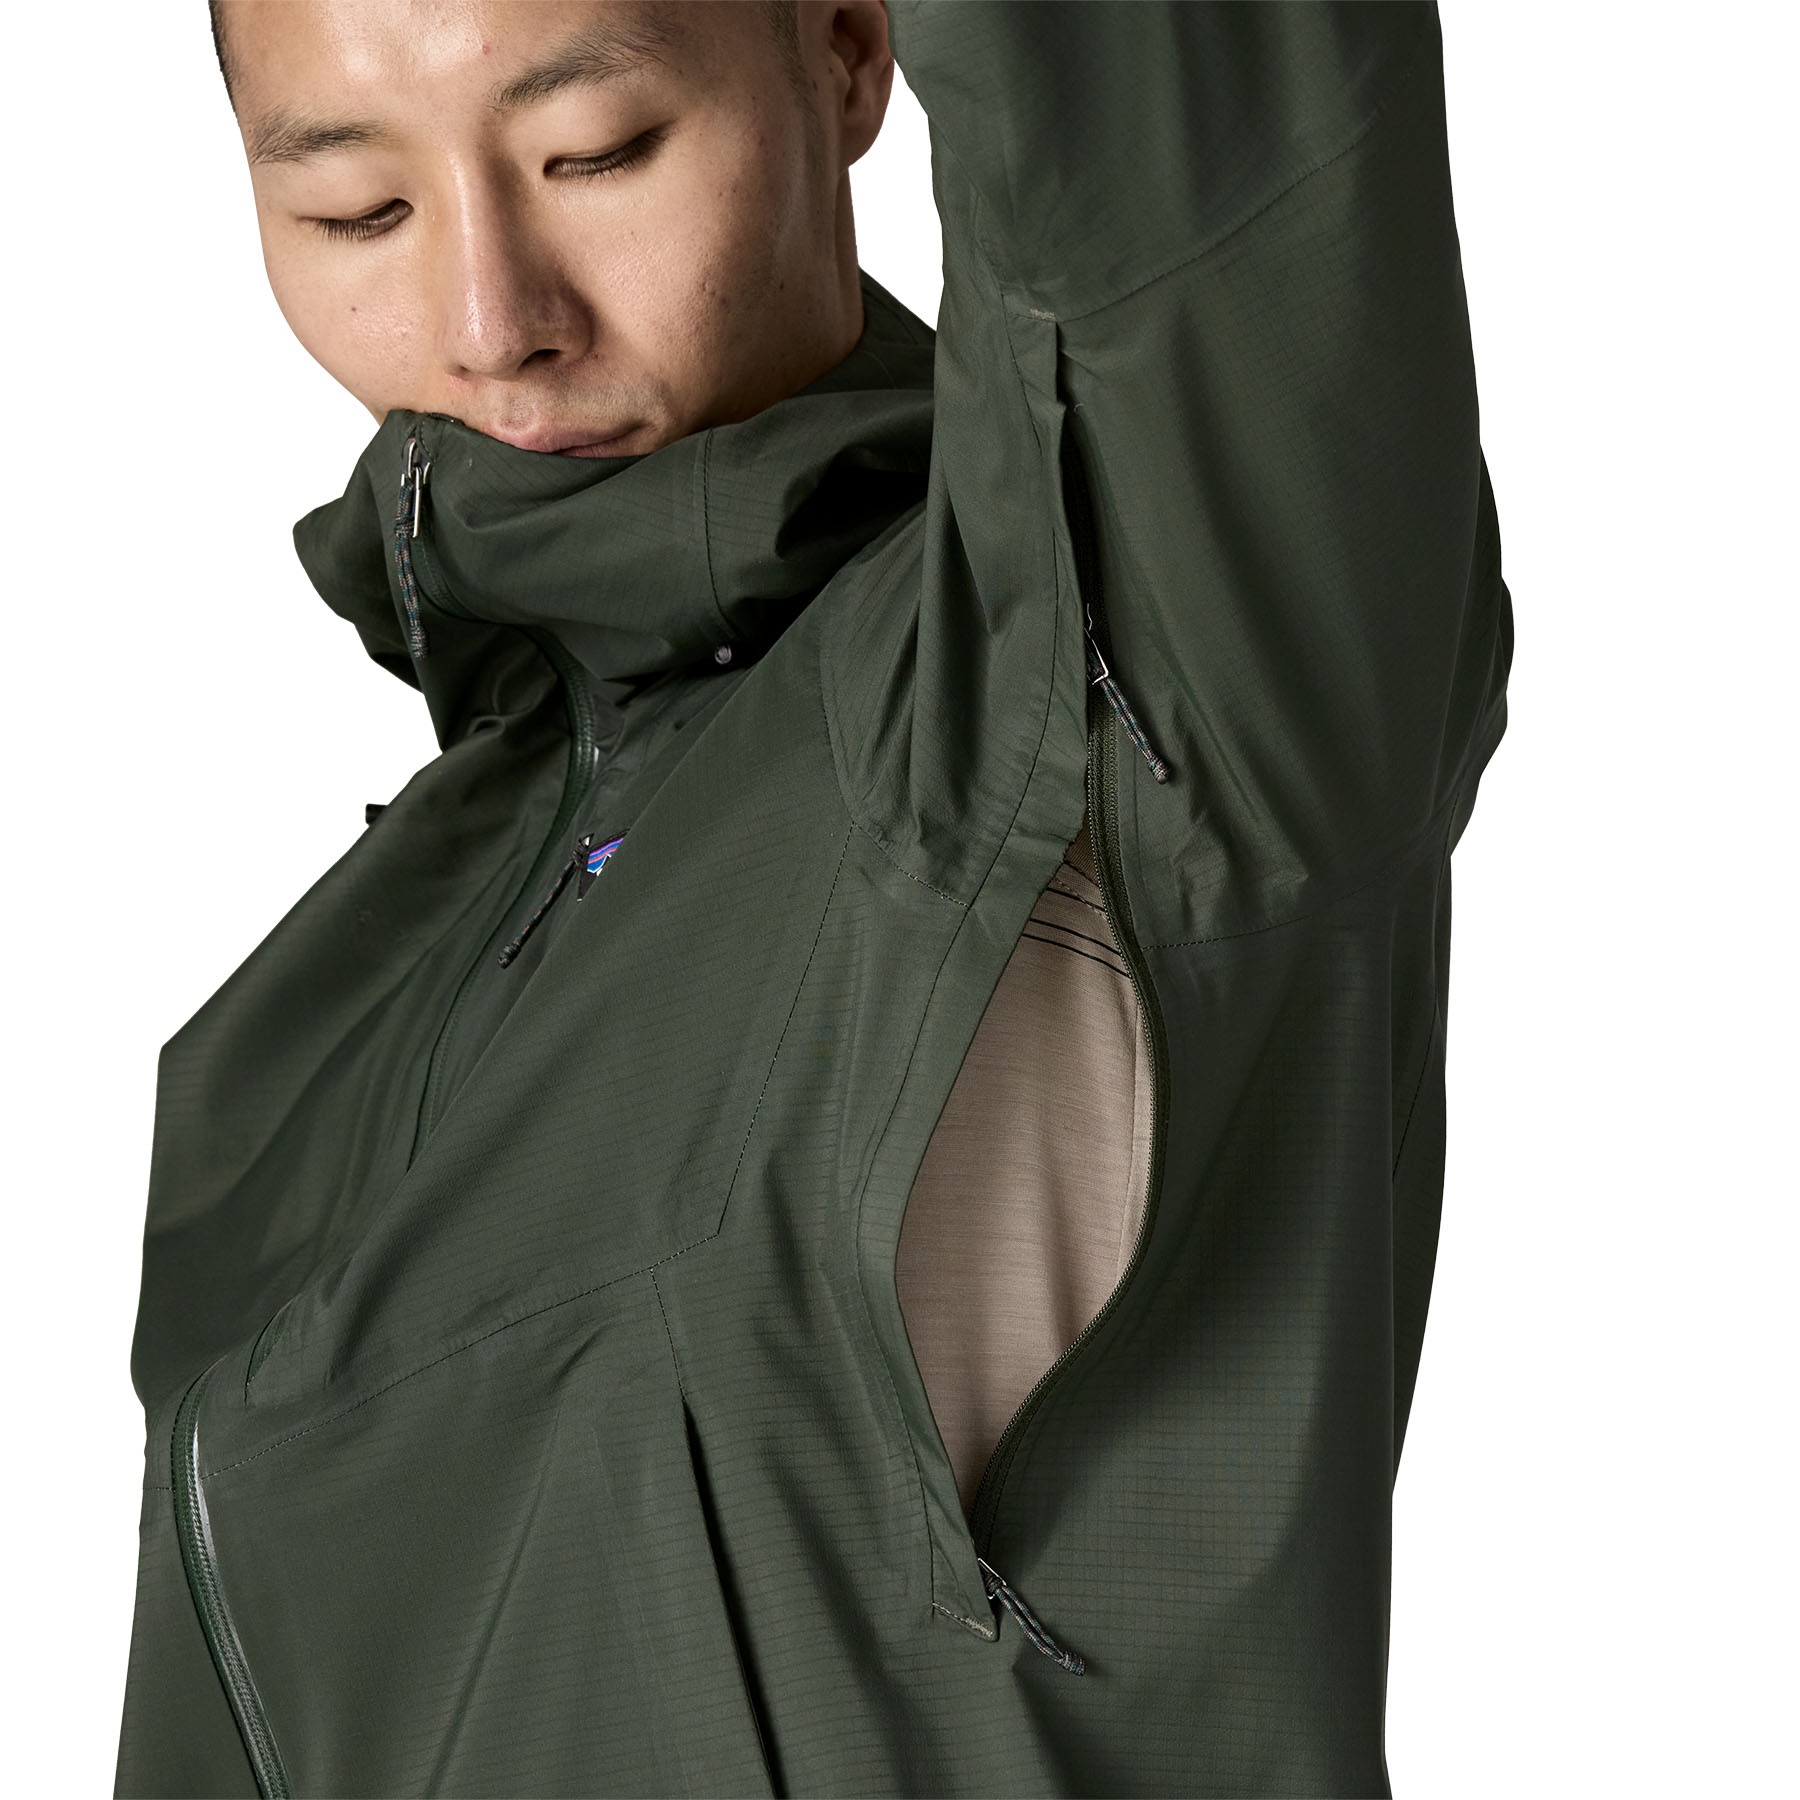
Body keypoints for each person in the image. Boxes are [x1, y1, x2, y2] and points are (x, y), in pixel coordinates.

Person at [113, 2, 1513, 1795]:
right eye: (355, 213)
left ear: (851, 51)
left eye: (595, 154)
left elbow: (1184, 152)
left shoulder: (1111, 692)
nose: (489, 320)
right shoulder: (309, 1023)